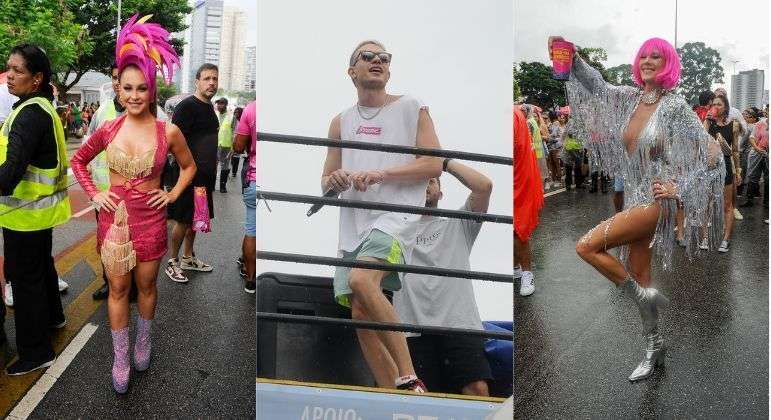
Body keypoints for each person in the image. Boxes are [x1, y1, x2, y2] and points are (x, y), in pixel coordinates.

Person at [553, 36, 724, 382]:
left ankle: (648, 298)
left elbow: (714, 155)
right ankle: (654, 345)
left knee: (586, 246)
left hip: (655, 202)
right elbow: (598, 86)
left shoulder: (675, 107)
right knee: (639, 272)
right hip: (634, 197)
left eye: (656, 57)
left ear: (668, 64)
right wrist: (574, 58)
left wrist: (681, 187)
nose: (647, 61)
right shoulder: (630, 100)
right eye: (643, 56)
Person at [71, 14, 194, 393]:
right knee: (119, 288)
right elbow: (78, 161)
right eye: (128, 88)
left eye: (142, 88)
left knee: (147, 285)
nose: (135, 95)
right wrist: (95, 193)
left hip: (151, 220)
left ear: (151, 90)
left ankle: (144, 341)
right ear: (119, 90)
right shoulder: (107, 129)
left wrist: (172, 194)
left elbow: (189, 167)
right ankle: (121, 356)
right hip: (114, 222)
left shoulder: (167, 131)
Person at [321, 40, 441, 393]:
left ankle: (409, 377)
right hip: (353, 222)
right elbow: (326, 182)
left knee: (361, 281)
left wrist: (383, 174)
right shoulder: (340, 122)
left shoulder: (412, 106)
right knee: (360, 311)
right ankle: (393, 393)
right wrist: (337, 180)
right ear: (352, 72)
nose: (377, 61)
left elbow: (434, 163)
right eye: (367, 57)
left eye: (384, 58)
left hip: (396, 216)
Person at [393, 159, 493, 396]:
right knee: (421, 399)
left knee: (477, 390)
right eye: (418, 182)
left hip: (459, 324)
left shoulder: (459, 223)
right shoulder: (393, 230)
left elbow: (484, 186)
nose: (425, 186)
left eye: (431, 180)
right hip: (412, 330)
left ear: (441, 191)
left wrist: (442, 162)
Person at [1, 44, 72, 375]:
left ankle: (35, 352)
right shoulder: (41, 107)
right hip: (38, 213)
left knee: (25, 281)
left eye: (18, 71)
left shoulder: (28, 115)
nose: (9, 76)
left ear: (37, 77)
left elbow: (11, 172)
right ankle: (55, 319)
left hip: (24, 215)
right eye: (8, 68)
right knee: (42, 269)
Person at [165, 63, 219, 283]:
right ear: (197, 81)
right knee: (183, 220)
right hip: (188, 177)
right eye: (207, 78)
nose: (212, 83)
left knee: (196, 220)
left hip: (204, 179)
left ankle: (188, 257)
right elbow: (173, 140)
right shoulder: (187, 107)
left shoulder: (209, 107)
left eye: (215, 79)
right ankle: (173, 261)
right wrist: (181, 173)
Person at [88, 62, 126, 301]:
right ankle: (108, 282)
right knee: (105, 242)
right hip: (104, 194)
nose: (117, 82)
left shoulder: (152, 112)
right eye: (114, 77)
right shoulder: (101, 112)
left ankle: (128, 286)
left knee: (130, 242)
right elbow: (88, 146)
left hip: (134, 196)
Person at [514, 105, 544, 297]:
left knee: (519, 229)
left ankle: (527, 272)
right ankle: (516, 267)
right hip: (510, 176)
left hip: (520, 178)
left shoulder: (514, 116)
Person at [704, 95, 740, 252]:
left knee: (727, 204)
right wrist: (706, 120)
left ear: (725, 107)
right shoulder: (708, 123)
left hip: (725, 166)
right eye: (713, 104)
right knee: (706, 203)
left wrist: (738, 171)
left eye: (719, 104)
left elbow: (735, 151)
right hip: (709, 167)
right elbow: (700, 142)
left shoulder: (733, 125)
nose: (715, 106)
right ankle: (705, 237)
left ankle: (726, 239)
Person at [233, 101, 256, 293]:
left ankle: (251, 279)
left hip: (255, 178)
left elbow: (238, 147)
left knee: (252, 230)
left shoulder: (252, 109)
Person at [742, 108, 769, 208]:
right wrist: (757, 148)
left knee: (768, 178)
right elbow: (752, 137)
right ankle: (749, 199)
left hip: (768, 154)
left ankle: (767, 202)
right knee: (752, 175)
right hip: (757, 152)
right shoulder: (760, 123)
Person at [215, 97, 233, 193]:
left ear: (226, 105)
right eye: (218, 104)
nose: (219, 105)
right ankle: (212, 185)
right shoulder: (214, 115)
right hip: (215, 144)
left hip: (227, 145)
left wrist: (232, 148)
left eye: (221, 104)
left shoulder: (231, 117)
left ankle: (222, 186)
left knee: (225, 166)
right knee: (213, 165)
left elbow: (235, 132)